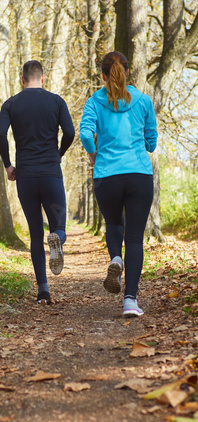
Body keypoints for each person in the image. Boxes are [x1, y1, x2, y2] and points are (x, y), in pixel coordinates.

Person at [80, 51, 158, 317]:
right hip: (139, 175)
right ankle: (130, 301)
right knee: (135, 238)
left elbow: (84, 134)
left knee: (114, 224)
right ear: (127, 72)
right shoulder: (143, 100)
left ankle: (115, 258)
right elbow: (152, 142)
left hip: (106, 176)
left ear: (103, 75)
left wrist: (94, 153)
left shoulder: (94, 101)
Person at [0, 60, 75, 304]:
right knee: (58, 226)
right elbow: (71, 132)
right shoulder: (56, 101)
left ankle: (43, 291)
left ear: (22, 80)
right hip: (51, 173)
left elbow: (0, 134)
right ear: (43, 78)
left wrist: (8, 164)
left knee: (34, 232)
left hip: (26, 176)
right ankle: (57, 240)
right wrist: (59, 154)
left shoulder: (11, 103)